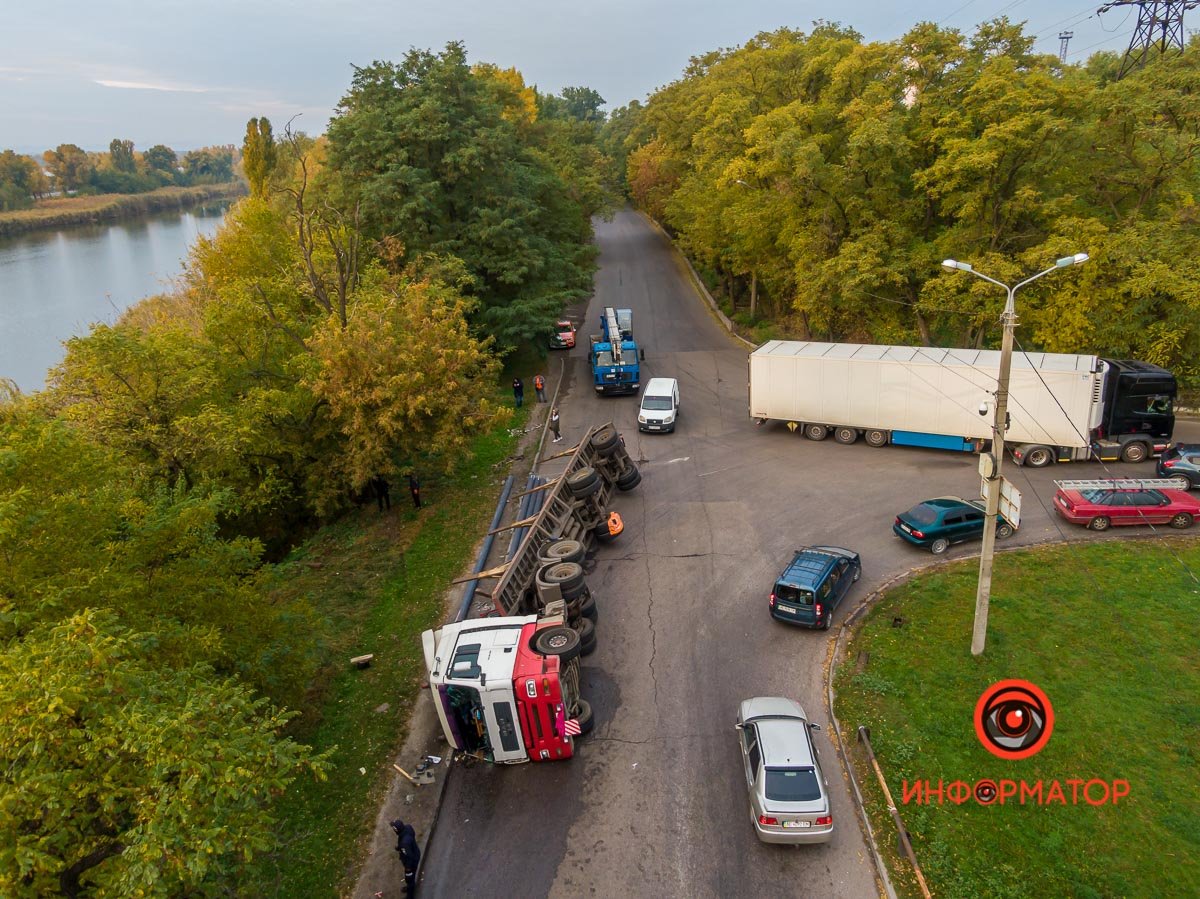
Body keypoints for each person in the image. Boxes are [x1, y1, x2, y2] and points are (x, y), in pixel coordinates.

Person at [391, 819, 420, 894]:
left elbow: (409, 858)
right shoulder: (408, 827)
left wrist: (408, 870)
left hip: (412, 862)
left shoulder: (404, 844)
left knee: (409, 879)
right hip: (415, 851)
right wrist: (400, 847)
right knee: (410, 879)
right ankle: (410, 886)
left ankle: (410, 894)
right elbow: (410, 837)